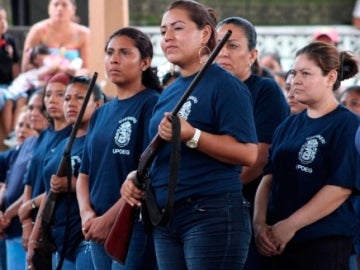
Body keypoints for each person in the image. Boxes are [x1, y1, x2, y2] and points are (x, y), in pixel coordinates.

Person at [120, 1, 258, 269]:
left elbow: (249, 153)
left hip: (211, 213)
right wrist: (135, 175)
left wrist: (193, 134)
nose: (168, 37)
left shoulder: (225, 85)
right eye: (163, 32)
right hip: (166, 216)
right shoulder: (169, 92)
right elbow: (159, 150)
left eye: (178, 28)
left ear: (205, 34)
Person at [253, 41, 360, 270]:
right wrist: (259, 223)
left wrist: (290, 226)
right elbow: (269, 176)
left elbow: (340, 188)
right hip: (274, 243)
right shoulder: (288, 125)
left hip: (321, 244)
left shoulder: (348, 125)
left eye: (305, 73)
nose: (295, 80)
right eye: (294, 72)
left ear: (330, 77)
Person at [77, 27, 161, 270]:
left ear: (145, 62)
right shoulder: (101, 112)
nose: (114, 59)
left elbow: (146, 174)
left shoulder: (152, 104)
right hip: (96, 224)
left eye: (125, 53)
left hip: (132, 222)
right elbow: (84, 173)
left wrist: (108, 219)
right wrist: (88, 216)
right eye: (110, 52)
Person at [215, 16, 290, 270]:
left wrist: (210, 196)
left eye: (233, 46)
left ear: (252, 54)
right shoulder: (202, 91)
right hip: (198, 215)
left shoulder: (265, 91)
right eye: (217, 45)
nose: (223, 53)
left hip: (243, 211)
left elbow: (259, 158)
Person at [27, 76, 103, 269]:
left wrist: (71, 184)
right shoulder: (61, 145)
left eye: (79, 97)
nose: (71, 103)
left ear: (98, 104)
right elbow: (49, 195)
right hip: (59, 240)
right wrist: (35, 238)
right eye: (67, 98)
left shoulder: (99, 141)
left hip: (85, 238)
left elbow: (104, 184)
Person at [18, 72, 72, 256]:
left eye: (60, 94)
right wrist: (26, 222)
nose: (52, 100)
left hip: (54, 223)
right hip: (32, 223)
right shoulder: (44, 134)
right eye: (48, 95)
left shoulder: (73, 136)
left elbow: (57, 186)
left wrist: (31, 205)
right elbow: (29, 180)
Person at [0, 109, 39, 270]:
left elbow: (32, 189)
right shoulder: (16, 152)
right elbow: (5, 186)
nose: (22, 130)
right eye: (20, 125)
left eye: (28, 126)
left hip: (22, 229)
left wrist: (8, 214)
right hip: (6, 229)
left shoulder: (37, 151)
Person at [21, 0, 90, 76]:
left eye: (64, 5)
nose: (60, 8)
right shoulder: (37, 31)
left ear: (73, 10)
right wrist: (49, 70)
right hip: (42, 83)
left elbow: (87, 68)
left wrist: (74, 74)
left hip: (72, 82)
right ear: (49, 9)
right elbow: (26, 67)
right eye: (56, 4)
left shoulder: (83, 33)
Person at [0, 5, 21, 145]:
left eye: (4, 19)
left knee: (22, 97)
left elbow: (15, 67)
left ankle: (12, 135)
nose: (2, 23)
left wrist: (17, 85)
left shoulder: (10, 41)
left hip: (9, 85)